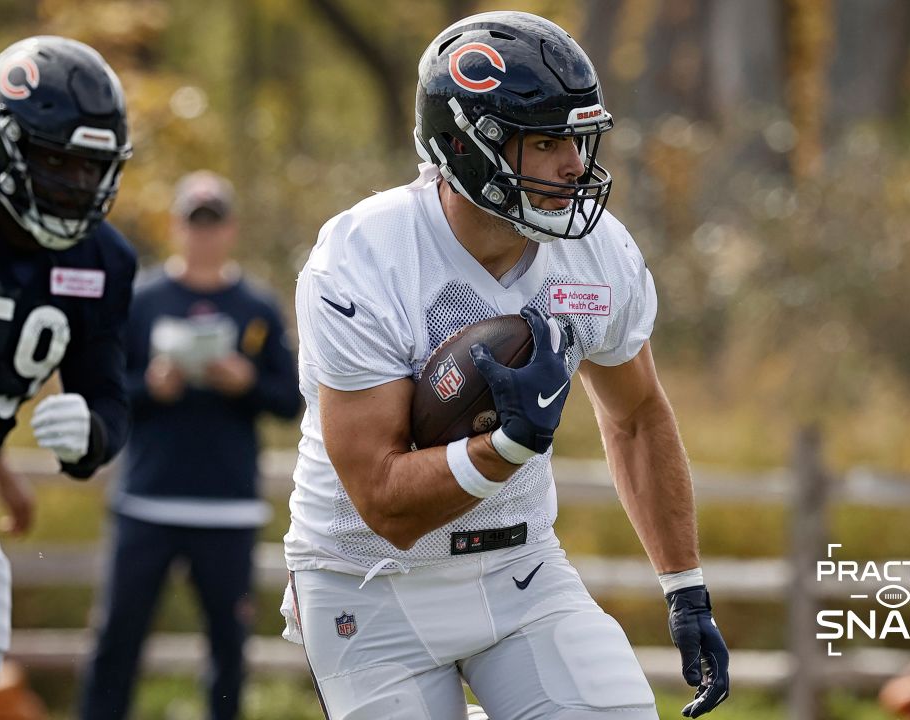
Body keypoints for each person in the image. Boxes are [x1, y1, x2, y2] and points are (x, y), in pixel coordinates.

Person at [280, 11, 730, 719]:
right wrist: (508, 445)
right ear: (464, 147)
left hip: (519, 569)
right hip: (368, 580)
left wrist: (685, 584)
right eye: (547, 140)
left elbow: (637, 416)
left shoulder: (597, 252)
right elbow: (385, 503)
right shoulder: (365, 257)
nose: (575, 166)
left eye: (579, 139)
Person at [0, 35, 136, 719]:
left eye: (91, 167)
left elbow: (107, 395)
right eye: (57, 162)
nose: (76, 185)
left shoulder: (103, 263)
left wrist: (92, 436)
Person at [79, 171, 302, 720]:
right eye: (194, 223)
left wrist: (244, 382)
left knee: (228, 650)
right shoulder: (143, 300)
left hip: (227, 507)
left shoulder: (257, 306)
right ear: (177, 227)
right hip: (146, 501)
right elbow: (104, 391)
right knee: (117, 639)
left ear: (231, 229)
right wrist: (149, 388)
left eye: (214, 222)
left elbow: (291, 399)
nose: (204, 234)